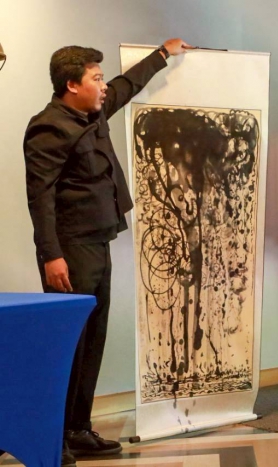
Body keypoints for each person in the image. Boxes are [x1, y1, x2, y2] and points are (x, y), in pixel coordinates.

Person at [24, 38, 192, 466]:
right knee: (69, 345)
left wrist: (162, 54)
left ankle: (78, 429)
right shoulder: (48, 127)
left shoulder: (93, 110)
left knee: (93, 340)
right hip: (71, 250)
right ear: (71, 85)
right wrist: (51, 256)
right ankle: (52, 437)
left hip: (99, 241)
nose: (103, 86)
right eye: (95, 79)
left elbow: (125, 85)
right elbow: (40, 198)